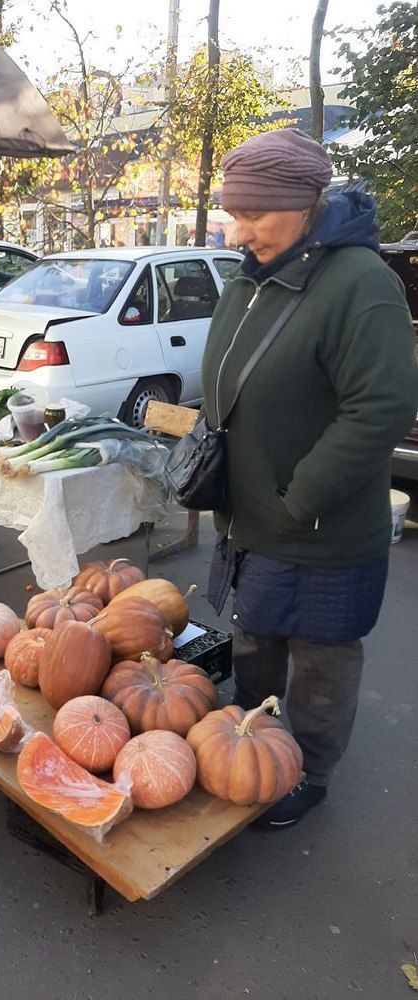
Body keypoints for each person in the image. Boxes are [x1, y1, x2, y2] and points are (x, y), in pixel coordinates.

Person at [201, 128, 418, 829]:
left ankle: (311, 771)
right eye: (233, 213)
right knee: (254, 635)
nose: (240, 231)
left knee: (323, 656)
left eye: (255, 214)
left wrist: (301, 498)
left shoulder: (361, 283)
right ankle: (252, 738)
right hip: (254, 518)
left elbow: (382, 405)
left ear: (304, 204)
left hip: (318, 526)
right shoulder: (254, 273)